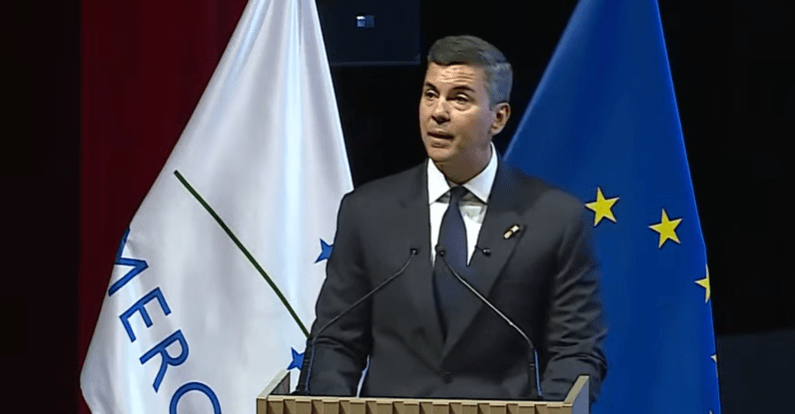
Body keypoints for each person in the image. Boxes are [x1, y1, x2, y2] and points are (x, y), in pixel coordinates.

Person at [298, 35, 607, 403]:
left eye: (460, 98)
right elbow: (334, 341)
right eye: (430, 94)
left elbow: (576, 351)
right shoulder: (367, 212)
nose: (438, 112)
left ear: (498, 118)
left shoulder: (554, 219)